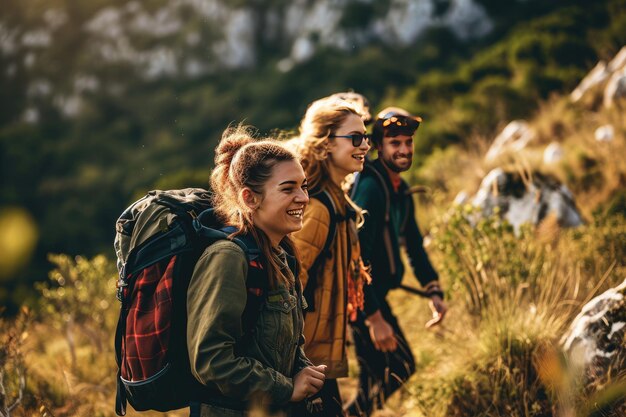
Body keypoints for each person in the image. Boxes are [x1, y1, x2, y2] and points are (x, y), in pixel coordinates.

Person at [186, 126, 327, 417]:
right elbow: (212, 362)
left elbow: (279, 343)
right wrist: (287, 389)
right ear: (250, 199)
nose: (302, 197)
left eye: (303, 186)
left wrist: (302, 370)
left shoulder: (280, 255)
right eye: (288, 189)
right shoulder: (228, 258)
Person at [347, 107, 448, 417]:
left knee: (377, 377)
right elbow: (355, 260)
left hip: (373, 297)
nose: (404, 150)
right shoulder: (371, 189)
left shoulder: (400, 190)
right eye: (395, 144)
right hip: (362, 301)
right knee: (400, 366)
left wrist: (433, 289)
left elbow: (415, 246)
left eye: (408, 142)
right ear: (379, 146)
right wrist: (374, 319)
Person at [289, 97, 372, 417]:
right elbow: (289, 288)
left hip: (316, 359)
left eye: (365, 137)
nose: (364, 145)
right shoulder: (319, 209)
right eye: (355, 138)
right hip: (305, 362)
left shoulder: (336, 201)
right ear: (325, 144)